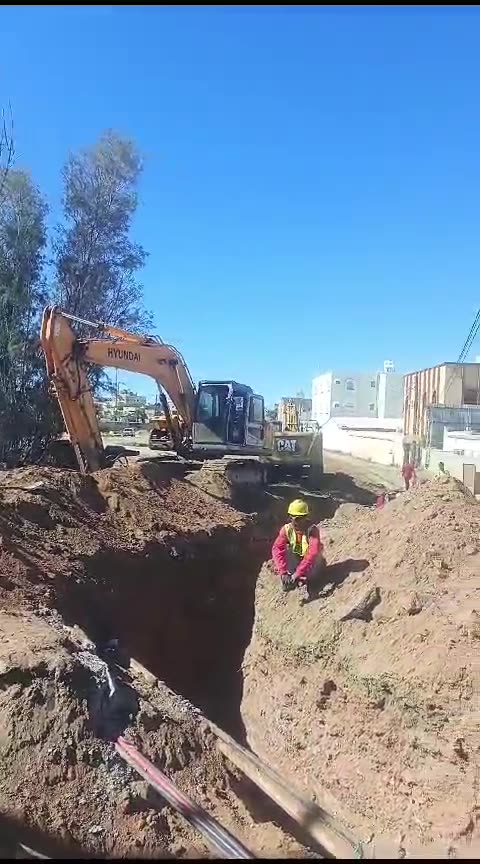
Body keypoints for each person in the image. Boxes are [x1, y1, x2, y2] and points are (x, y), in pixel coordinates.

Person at [272, 499, 325, 599]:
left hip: (312, 563)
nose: (295, 522)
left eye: (298, 518)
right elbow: (277, 549)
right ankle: (293, 580)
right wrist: (283, 572)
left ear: (305, 517)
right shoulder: (286, 530)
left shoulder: (312, 531)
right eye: (293, 518)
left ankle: (306, 580)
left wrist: (298, 573)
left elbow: (312, 554)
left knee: (313, 574)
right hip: (298, 558)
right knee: (285, 552)